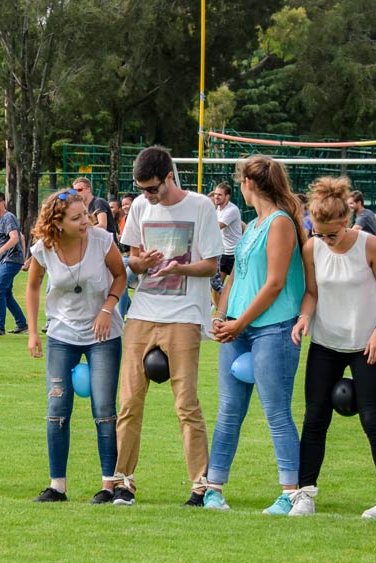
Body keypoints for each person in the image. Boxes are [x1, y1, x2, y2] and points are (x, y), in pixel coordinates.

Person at [112, 146, 224, 507]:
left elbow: (212, 265)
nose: (146, 196)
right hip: (143, 312)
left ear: (169, 177)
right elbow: (132, 259)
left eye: (152, 188)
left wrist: (180, 268)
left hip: (185, 315)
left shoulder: (201, 206)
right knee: (129, 402)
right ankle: (123, 482)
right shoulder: (140, 207)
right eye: (141, 189)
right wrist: (141, 263)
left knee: (186, 404)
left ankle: (200, 486)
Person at [288, 176, 376, 517]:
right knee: (315, 418)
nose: (325, 240)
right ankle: (304, 493)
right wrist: (304, 317)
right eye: (319, 234)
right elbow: (312, 293)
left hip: (366, 344)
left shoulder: (370, 246)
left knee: (373, 419)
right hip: (325, 343)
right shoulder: (311, 248)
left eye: (331, 235)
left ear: (346, 220)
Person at [206, 155, 306, 514]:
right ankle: (213, 489)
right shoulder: (252, 227)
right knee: (229, 410)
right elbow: (235, 276)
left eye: (240, 182)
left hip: (273, 329)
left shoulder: (280, 223)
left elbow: (275, 283)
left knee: (276, 411)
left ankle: (291, 493)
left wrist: (240, 323)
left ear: (249, 183)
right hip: (238, 328)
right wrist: (221, 316)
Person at [25, 188, 126, 503]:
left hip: (103, 336)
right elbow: (32, 287)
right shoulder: (44, 248)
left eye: (85, 214)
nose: (85, 221)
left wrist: (108, 309)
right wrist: (33, 332)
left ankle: (108, 486)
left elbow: (120, 275)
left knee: (104, 409)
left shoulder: (101, 240)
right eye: (76, 218)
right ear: (58, 223)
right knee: (57, 409)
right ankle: (57, 486)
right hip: (62, 335)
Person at [0, 191, 28, 335]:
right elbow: (21, 237)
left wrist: (0, 251)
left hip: (10, 259)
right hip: (7, 259)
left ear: (2, 202)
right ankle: (21, 323)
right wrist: (23, 257)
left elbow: (15, 237)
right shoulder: (0, 219)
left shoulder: (7, 217)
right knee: (6, 292)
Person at [72, 177, 116, 242]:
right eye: (74, 191)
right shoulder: (83, 207)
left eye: (79, 190)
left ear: (88, 189)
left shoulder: (99, 202)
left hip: (108, 244)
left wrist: (82, 231)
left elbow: (103, 225)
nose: (77, 193)